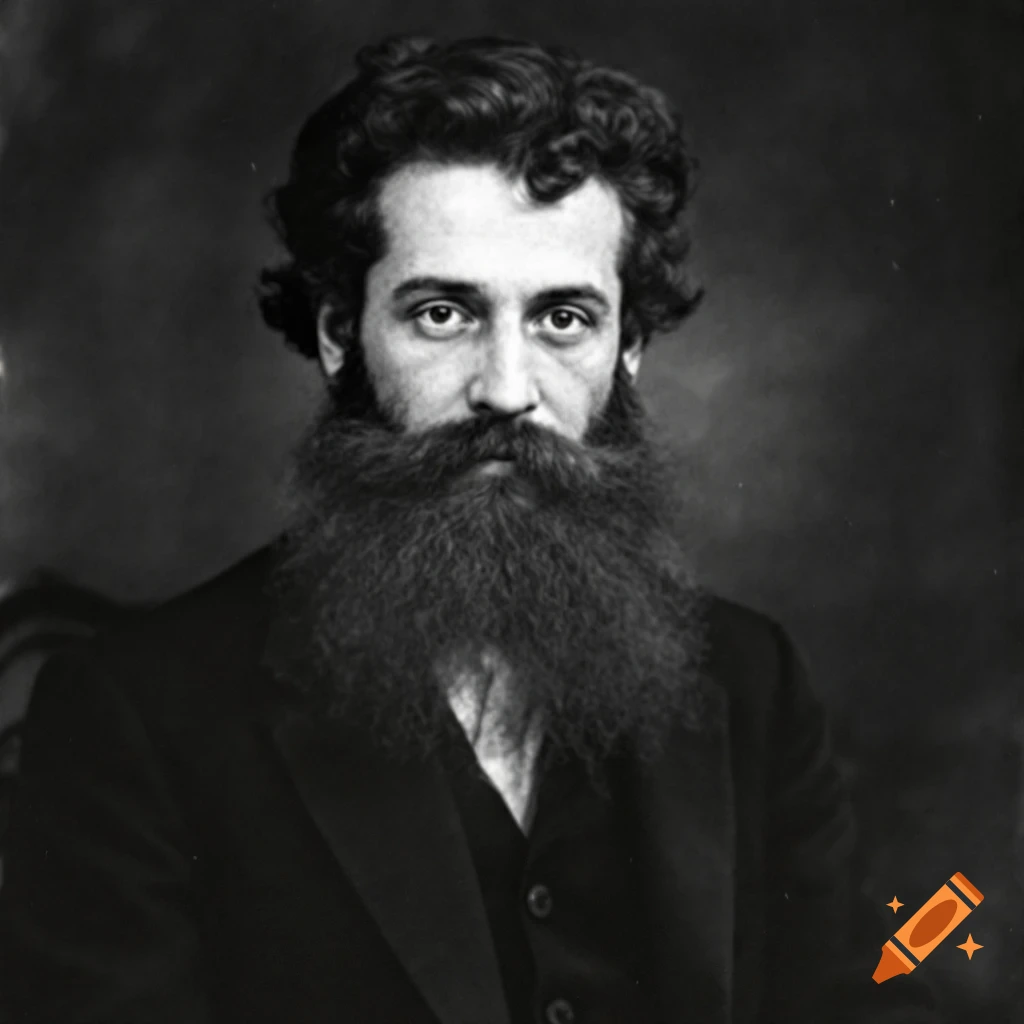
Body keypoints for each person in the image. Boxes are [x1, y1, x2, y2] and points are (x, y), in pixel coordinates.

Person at [0, 35, 939, 1024]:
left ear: (630, 350)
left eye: (563, 319)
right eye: (443, 314)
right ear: (337, 334)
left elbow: (855, 999)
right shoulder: (132, 716)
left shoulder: (751, 679)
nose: (505, 389)